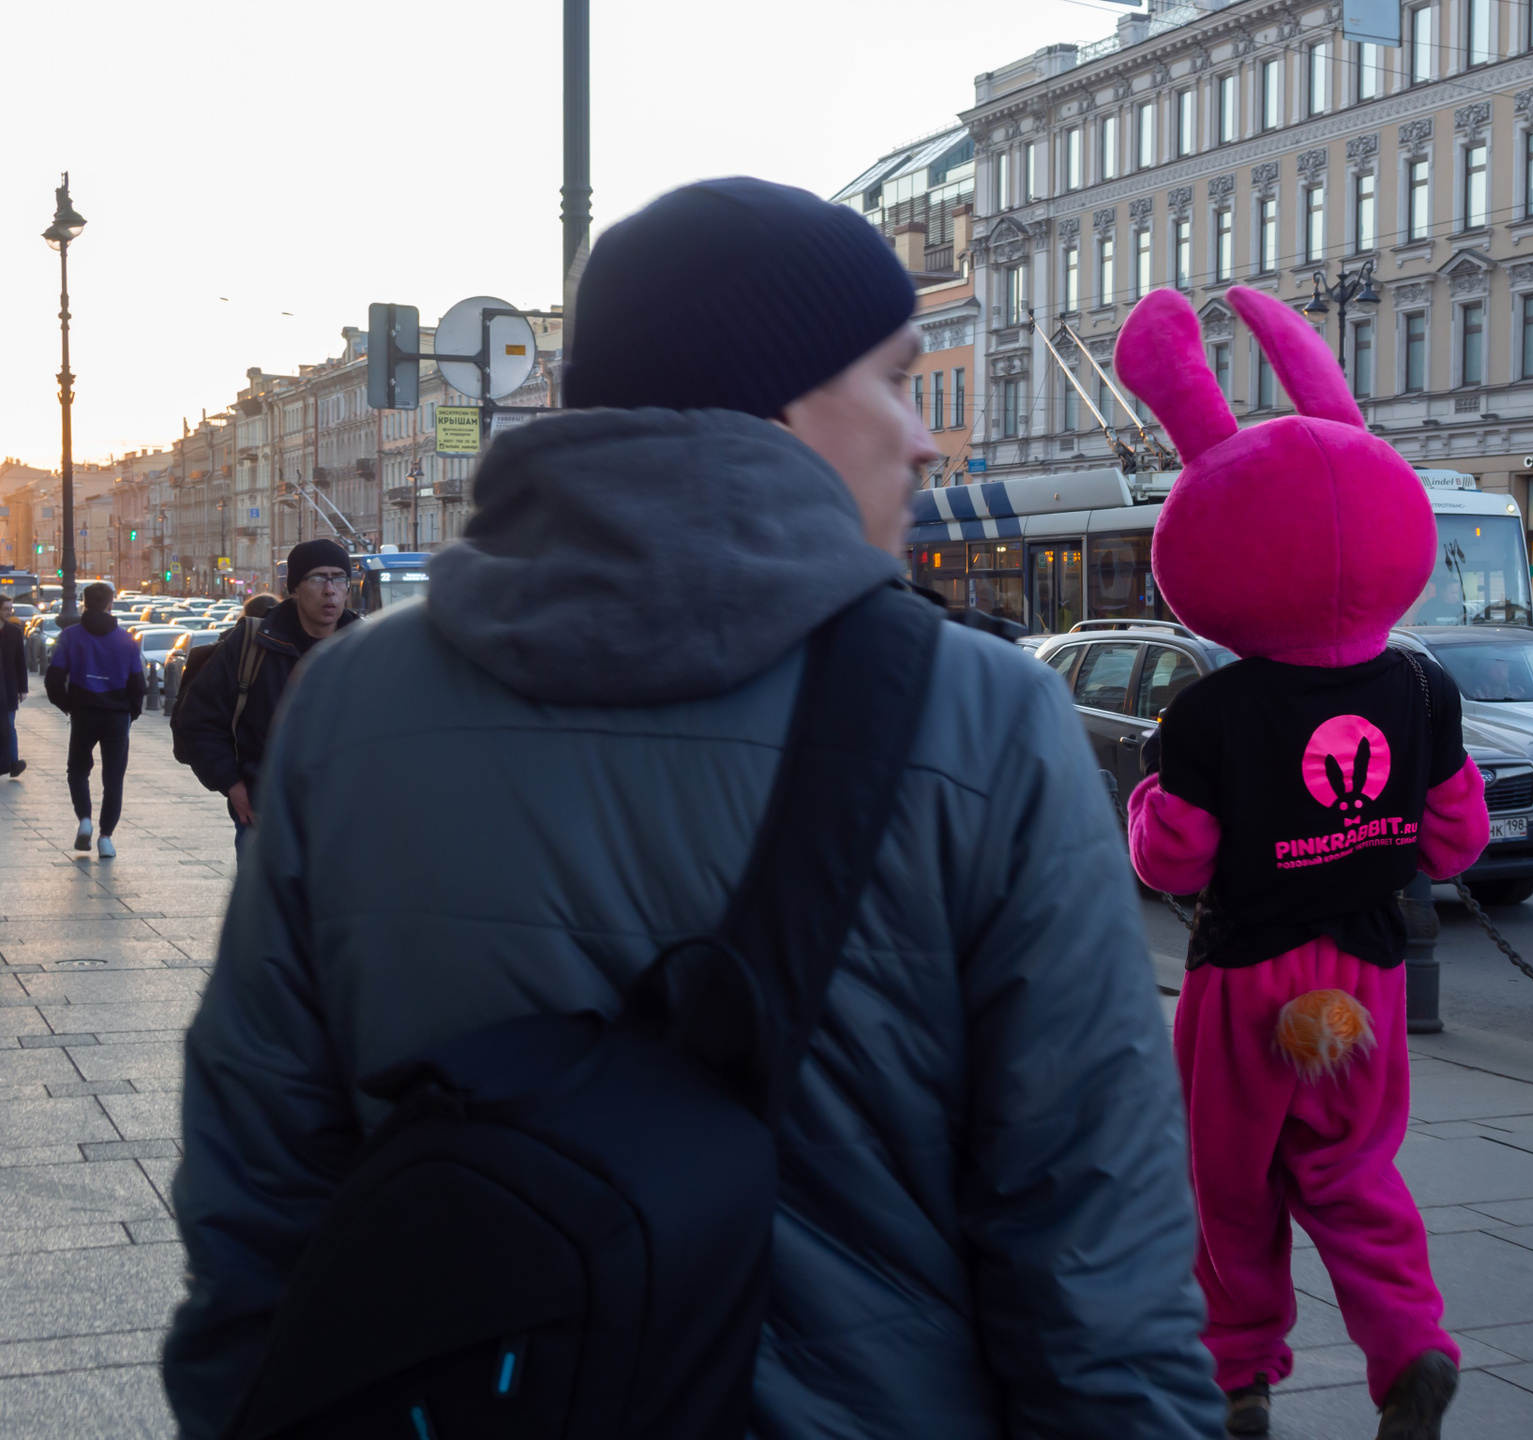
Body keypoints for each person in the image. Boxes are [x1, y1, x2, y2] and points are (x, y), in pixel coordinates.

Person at [164, 178, 1217, 1440]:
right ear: (775, 400)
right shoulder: (985, 717)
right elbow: (1096, 1254)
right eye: (894, 380)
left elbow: (256, 1190)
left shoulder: (350, 706)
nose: (925, 438)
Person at [1118, 288, 1489, 1440]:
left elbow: (1174, 859)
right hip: (1367, 970)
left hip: (1244, 978)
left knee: (1227, 1190)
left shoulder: (1209, 712)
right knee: (1356, 1174)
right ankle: (1410, 1346)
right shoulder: (1423, 686)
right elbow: (1456, 840)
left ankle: (1237, 1377)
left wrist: (1149, 797)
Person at [170, 541, 358, 852]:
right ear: (294, 588)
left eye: (339, 578)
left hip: (344, 820)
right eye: (317, 578)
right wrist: (231, 784)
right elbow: (197, 718)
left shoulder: (365, 648)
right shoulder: (253, 643)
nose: (330, 590)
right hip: (264, 816)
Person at [44, 583, 146, 857]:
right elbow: (138, 685)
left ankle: (85, 820)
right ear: (110, 604)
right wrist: (130, 713)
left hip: (84, 713)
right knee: (113, 777)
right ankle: (106, 838)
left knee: (78, 770)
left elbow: (53, 680)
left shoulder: (70, 636)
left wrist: (69, 706)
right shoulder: (126, 640)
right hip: (117, 716)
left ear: (84, 603)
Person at [1, 593, 27, 778]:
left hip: (9, 686)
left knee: (9, 724)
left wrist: (22, 688)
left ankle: (13, 762)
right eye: (5, 609)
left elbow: (20, 660)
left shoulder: (14, 631)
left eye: (11, 609)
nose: (9, 612)